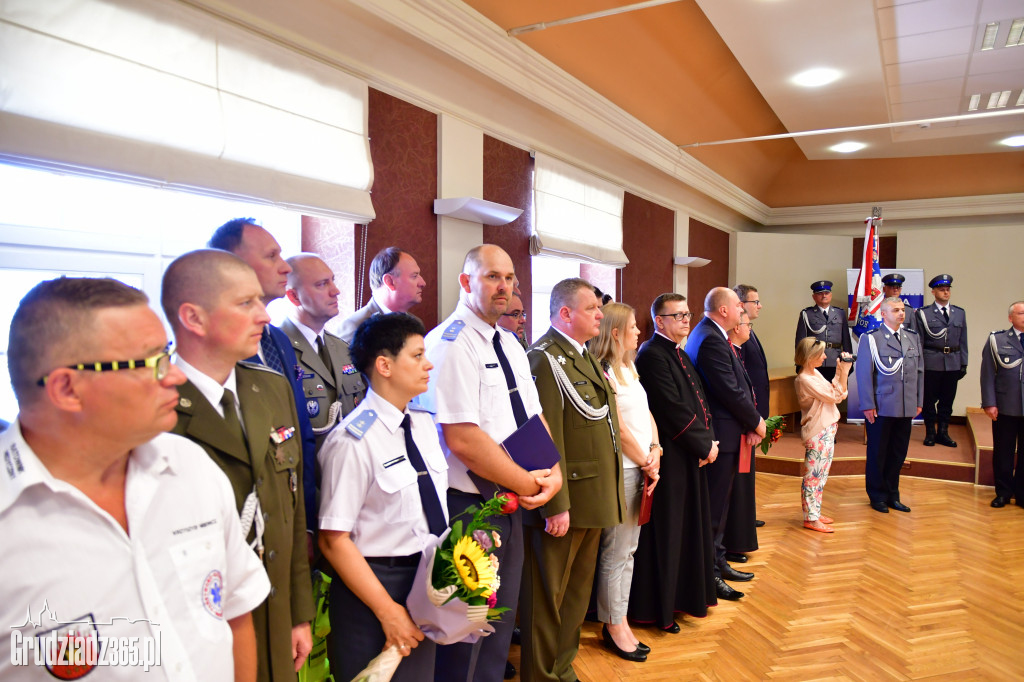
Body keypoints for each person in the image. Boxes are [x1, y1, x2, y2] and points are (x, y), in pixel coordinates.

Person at [1, 277, 269, 681]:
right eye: (152, 362)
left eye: (168, 355)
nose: (175, 376)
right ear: (67, 388)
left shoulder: (190, 466)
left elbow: (234, 614)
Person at [162, 249, 315, 682]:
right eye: (245, 303)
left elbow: (291, 508)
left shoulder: (270, 388)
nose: (264, 317)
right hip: (202, 623)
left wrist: (297, 611)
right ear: (194, 318)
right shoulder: (159, 409)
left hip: (276, 608)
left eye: (261, 302)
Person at [421, 245, 560, 682]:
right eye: (492, 277)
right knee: (466, 632)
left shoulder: (510, 342)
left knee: (497, 625)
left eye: (510, 277)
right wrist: (526, 483)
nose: (505, 287)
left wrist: (552, 473)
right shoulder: (450, 343)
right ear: (466, 282)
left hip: (511, 501)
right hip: (470, 505)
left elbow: (531, 415)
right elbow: (461, 438)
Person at [318, 313, 448, 682]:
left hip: (423, 582)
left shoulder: (423, 424)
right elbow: (333, 539)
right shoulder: (352, 441)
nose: (429, 364)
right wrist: (387, 611)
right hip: (374, 589)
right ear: (384, 365)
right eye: (418, 355)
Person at [523, 278, 626, 682]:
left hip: (594, 495)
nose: (601, 315)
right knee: (547, 597)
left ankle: (562, 668)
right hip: (568, 499)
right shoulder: (544, 358)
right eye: (592, 309)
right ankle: (542, 674)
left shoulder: (581, 356)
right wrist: (556, 503)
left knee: (576, 595)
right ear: (565, 314)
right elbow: (544, 435)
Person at [209, 218, 318, 519]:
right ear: (233, 265)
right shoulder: (215, 350)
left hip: (293, 512)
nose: (285, 267)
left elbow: (300, 434)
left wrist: (306, 521)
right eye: (271, 257)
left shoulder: (279, 340)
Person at [629, 293, 722, 631]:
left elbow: (700, 402)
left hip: (691, 456)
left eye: (688, 313)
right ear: (659, 321)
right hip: (671, 458)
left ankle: (684, 598)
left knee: (688, 530)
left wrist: (708, 442)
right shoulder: (653, 355)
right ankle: (660, 609)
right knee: (669, 533)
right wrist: (703, 445)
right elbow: (671, 409)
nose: (686, 319)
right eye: (678, 315)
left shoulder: (678, 354)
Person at [590, 302, 660, 661]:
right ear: (615, 333)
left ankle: (620, 617)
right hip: (624, 471)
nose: (638, 332)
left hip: (643, 466)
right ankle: (613, 623)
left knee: (628, 551)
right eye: (633, 327)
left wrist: (656, 449)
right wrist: (645, 460)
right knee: (616, 552)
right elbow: (615, 427)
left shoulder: (628, 367)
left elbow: (646, 413)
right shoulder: (603, 372)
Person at [684, 288, 765, 599]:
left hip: (729, 434)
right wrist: (756, 422)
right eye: (737, 306)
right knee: (714, 510)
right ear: (722, 310)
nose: (741, 310)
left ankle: (719, 562)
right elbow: (729, 391)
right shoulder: (710, 339)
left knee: (722, 507)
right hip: (721, 434)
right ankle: (711, 573)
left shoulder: (713, 334)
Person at [856, 297, 924, 514]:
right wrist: (867, 404)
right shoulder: (872, 339)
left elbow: (920, 373)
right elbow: (864, 373)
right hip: (882, 405)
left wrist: (919, 401)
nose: (901, 313)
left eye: (902, 310)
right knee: (878, 452)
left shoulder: (912, 338)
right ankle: (876, 495)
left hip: (906, 406)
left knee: (898, 453)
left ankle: (893, 494)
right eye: (896, 310)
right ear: (883, 314)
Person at [725, 283, 769, 562]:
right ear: (740, 304)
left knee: (747, 477)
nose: (759, 305)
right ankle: (737, 532)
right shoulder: (733, 338)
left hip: (752, 418)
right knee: (738, 481)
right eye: (755, 301)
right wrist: (754, 421)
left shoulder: (748, 333)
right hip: (743, 422)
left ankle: (746, 520)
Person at [794, 338, 850, 533]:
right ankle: (810, 518)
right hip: (817, 432)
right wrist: (844, 371)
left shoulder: (814, 373)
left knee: (821, 475)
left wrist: (841, 372)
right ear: (811, 357)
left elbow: (837, 391)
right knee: (813, 476)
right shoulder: (804, 379)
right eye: (821, 354)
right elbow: (836, 395)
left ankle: (815, 513)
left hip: (826, 430)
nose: (825, 356)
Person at [980, 301, 1024, 509]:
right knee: (1003, 452)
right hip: (1006, 406)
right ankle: (1003, 492)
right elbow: (988, 374)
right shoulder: (997, 340)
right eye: (1021, 313)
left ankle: (1022, 493)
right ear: (1011, 318)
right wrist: (989, 403)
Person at [917, 274, 968, 447]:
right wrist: (920, 364)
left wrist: (964, 362)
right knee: (929, 400)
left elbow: (963, 340)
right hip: (932, 362)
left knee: (947, 400)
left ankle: (943, 433)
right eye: (941, 289)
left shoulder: (959, 313)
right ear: (933, 292)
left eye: (948, 289)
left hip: (953, 362)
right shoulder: (924, 314)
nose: (946, 292)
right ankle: (930, 432)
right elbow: (920, 341)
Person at [336, 247, 426, 343]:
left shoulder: (415, 323)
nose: (423, 283)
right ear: (390, 282)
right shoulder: (355, 327)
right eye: (414, 276)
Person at [795, 280, 852, 383]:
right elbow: (801, 340)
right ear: (814, 297)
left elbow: (846, 339)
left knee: (836, 393)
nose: (824, 295)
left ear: (831, 295)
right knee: (816, 394)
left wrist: (849, 359)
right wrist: (800, 362)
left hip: (835, 360)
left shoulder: (840, 313)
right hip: (814, 360)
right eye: (820, 293)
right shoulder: (807, 314)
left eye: (827, 293)